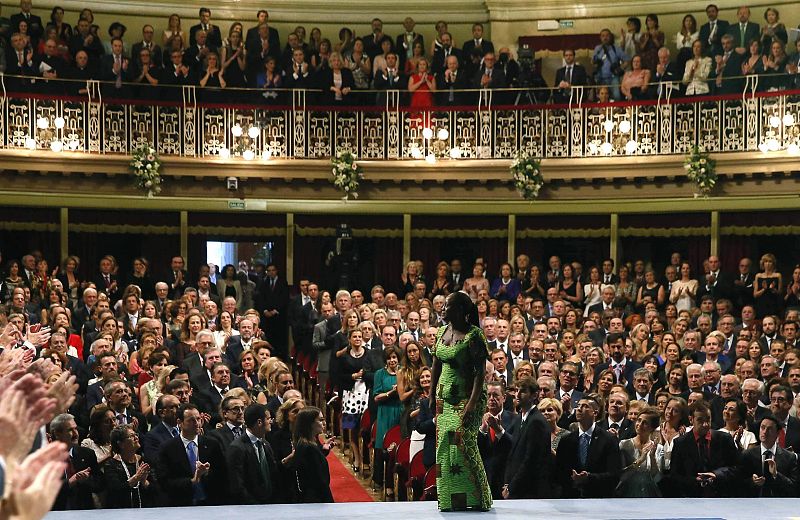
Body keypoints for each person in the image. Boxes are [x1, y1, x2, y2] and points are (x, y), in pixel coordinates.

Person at [430, 291, 492, 511]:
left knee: (463, 446)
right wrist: (431, 394)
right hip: (444, 398)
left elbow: (480, 373)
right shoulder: (441, 332)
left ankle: (480, 498)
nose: (442, 309)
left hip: (467, 398)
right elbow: (436, 365)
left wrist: (471, 405)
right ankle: (450, 500)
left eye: (447, 305)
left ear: (459, 310)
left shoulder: (474, 335)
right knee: (444, 448)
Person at [157, 403, 228, 506]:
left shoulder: (212, 444)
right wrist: (192, 481)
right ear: (179, 422)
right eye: (191, 420)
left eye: (198, 419)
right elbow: (164, 482)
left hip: (210, 502)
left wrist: (207, 473)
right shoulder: (167, 448)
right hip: (181, 503)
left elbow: (222, 474)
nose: (197, 423)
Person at [669, 401, 738, 497]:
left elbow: (736, 468)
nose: (705, 424)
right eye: (700, 420)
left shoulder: (724, 439)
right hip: (691, 497)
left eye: (708, 419)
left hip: (721, 496)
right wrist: (694, 481)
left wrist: (716, 475)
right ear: (691, 420)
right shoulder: (680, 443)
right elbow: (675, 475)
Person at [226, 403, 278, 504]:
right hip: (250, 507)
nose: (271, 421)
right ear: (259, 422)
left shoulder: (266, 444)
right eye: (268, 418)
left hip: (270, 505)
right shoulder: (237, 448)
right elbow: (237, 485)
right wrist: (254, 506)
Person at [739, 412, 799, 497]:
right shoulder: (748, 455)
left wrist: (776, 475)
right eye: (762, 428)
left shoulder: (789, 457)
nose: (765, 432)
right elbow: (739, 483)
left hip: (780, 502)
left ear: (777, 433)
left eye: (769, 429)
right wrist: (752, 481)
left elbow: (794, 488)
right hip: (754, 502)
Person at [103, 425, 154, 508]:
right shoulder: (111, 465)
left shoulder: (144, 461)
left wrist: (144, 482)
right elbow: (115, 491)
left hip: (145, 511)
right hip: (120, 511)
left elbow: (156, 490)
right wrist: (136, 478)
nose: (136, 438)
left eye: (136, 434)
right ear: (121, 444)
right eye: (131, 436)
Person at [290, 406, 333, 503]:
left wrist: (323, 450)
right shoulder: (309, 447)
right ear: (310, 424)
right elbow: (319, 480)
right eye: (320, 420)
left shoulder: (308, 443)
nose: (324, 423)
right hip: (315, 499)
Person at [617, 406, 664, 497]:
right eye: (639, 420)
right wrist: (640, 460)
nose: (640, 424)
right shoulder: (624, 445)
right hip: (627, 494)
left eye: (645, 423)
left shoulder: (658, 448)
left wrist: (652, 457)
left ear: (652, 428)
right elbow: (622, 476)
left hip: (649, 494)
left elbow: (657, 478)